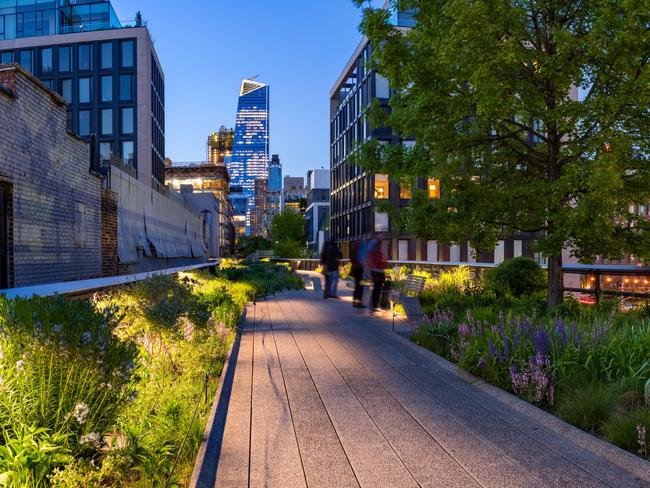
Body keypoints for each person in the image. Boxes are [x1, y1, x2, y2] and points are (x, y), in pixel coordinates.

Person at [366, 234, 388, 312]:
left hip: (379, 270)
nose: (383, 238)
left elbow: (384, 256)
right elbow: (369, 255)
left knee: (377, 287)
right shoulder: (374, 243)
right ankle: (373, 306)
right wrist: (372, 266)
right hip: (375, 270)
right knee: (376, 287)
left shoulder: (381, 244)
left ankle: (374, 305)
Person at [350, 238, 367, 308]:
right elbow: (363, 258)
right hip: (360, 270)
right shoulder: (361, 247)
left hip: (356, 270)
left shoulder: (355, 247)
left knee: (358, 285)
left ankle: (355, 301)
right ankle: (359, 302)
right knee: (361, 285)